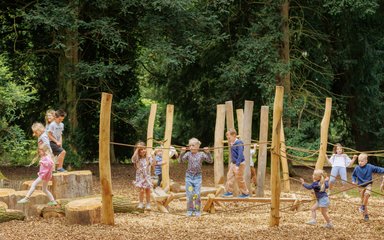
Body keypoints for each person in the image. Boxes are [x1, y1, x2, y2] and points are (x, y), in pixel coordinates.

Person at [179, 138, 213, 217]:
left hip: (197, 177)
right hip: (189, 177)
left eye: (193, 145)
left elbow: (210, 161)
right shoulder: (188, 154)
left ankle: (197, 210)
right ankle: (190, 210)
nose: (190, 147)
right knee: (190, 194)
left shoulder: (201, 154)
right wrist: (182, 153)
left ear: (198, 146)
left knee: (197, 194)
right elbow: (180, 161)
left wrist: (208, 153)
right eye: (189, 145)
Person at [351, 153, 384, 221]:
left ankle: (362, 207)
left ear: (366, 161)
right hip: (360, 186)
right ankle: (366, 215)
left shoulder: (370, 166)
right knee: (363, 201)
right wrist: (353, 181)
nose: (360, 162)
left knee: (367, 194)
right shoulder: (357, 168)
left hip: (368, 184)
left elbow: (378, 169)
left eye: (362, 161)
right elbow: (353, 175)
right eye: (359, 161)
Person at [222, 129, 250, 198]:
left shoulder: (239, 143)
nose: (228, 139)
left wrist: (237, 165)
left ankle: (245, 193)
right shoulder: (232, 143)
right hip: (233, 163)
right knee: (229, 176)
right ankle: (229, 192)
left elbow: (240, 155)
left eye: (229, 137)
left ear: (234, 135)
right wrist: (232, 163)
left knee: (239, 178)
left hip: (240, 163)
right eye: (227, 138)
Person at [132, 141, 153, 210]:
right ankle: (141, 203)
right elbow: (133, 159)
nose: (142, 151)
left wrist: (153, 154)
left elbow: (153, 163)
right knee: (141, 191)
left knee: (148, 190)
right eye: (140, 150)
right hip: (140, 177)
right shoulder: (137, 158)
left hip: (147, 177)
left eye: (144, 149)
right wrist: (137, 149)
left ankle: (148, 203)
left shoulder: (148, 157)